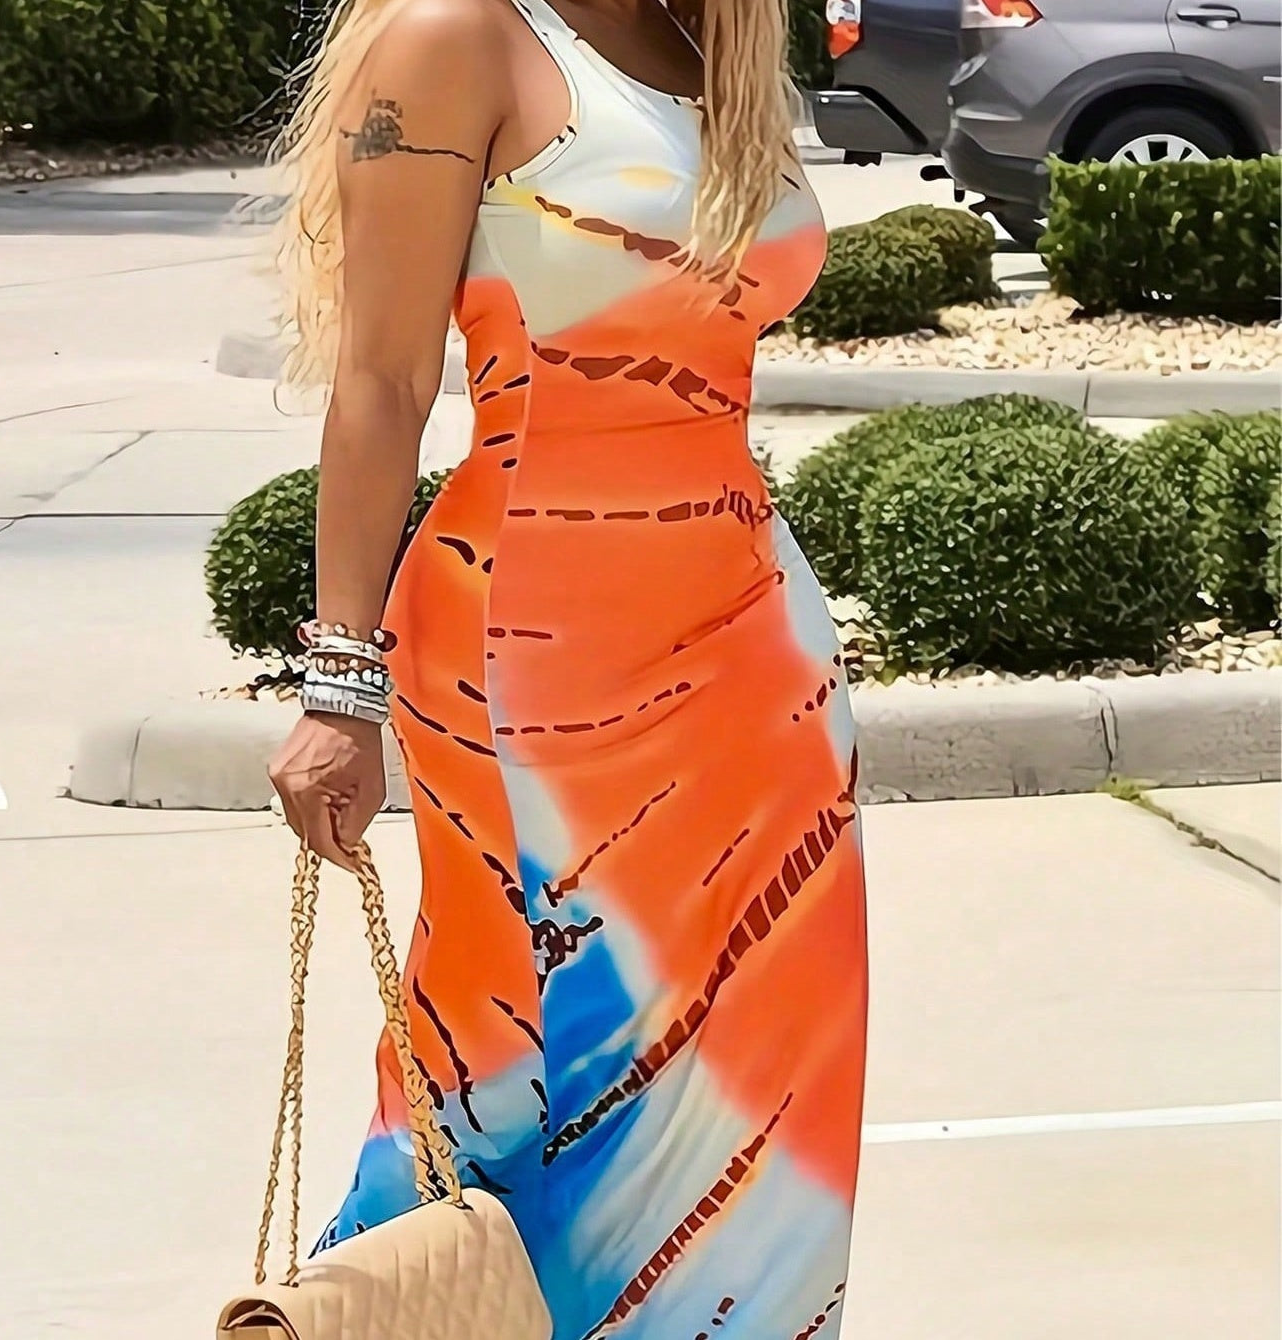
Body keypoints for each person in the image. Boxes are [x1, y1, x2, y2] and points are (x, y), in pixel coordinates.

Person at [265, 0, 868, 1333]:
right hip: (528, 649)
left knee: (761, 1088)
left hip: (759, 665)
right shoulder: (455, 40)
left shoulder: (710, 45)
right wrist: (340, 685)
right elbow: (380, 381)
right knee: (504, 1075)